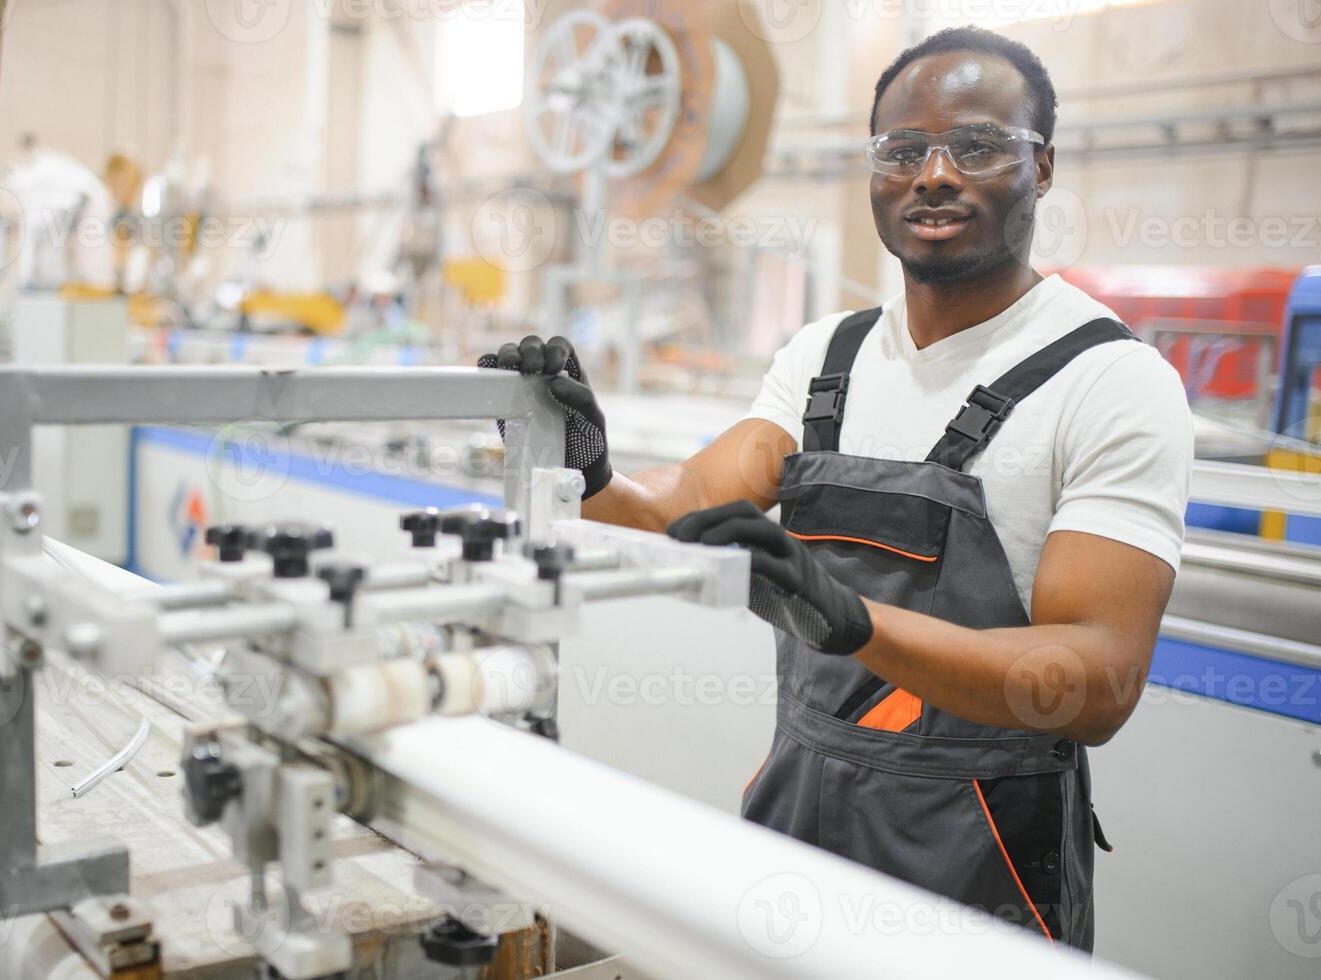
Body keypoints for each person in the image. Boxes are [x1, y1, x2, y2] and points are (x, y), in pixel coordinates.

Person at [480, 26, 1192, 949]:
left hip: (977, 857)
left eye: (975, 145)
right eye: (901, 150)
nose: (932, 174)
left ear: (1042, 168)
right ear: (873, 174)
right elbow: (679, 509)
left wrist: (852, 620)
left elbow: (1094, 681)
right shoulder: (827, 358)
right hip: (797, 816)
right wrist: (581, 467)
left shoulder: (1109, 381)